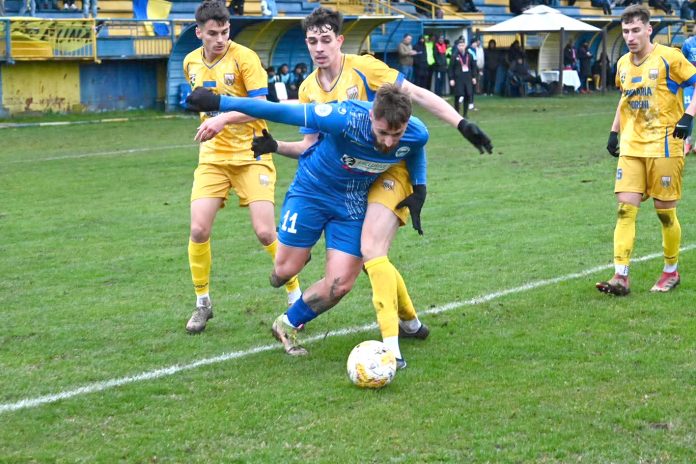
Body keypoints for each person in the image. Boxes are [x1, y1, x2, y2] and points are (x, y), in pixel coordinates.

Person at [251, 7, 492, 365]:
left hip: (377, 176)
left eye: (326, 40)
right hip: (324, 183)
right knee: (289, 271)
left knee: (371, 256)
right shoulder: (307, 88)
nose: (319, 48)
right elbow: (308, 146)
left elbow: (416, 97)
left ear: (339, 40)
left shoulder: (365, 68)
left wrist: (460, 123)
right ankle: (409, 322)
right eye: (313, 41)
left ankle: (385, 342)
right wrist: (275, 145)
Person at [186, 84, 429, 368]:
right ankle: (293, 261)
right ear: (372, 116)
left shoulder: (416, 131)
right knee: (283, 272)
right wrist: (219, 102)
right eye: (383, 132)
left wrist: (419, 186)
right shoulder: (344, 118)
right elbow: (278, 111)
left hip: (352, 205)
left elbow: (414, 148)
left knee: (340, 284)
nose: (388, 142)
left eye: (396, 135)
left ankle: (286, 323)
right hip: (311, 192)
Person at [181, 0, 301, 333]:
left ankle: (295, 295)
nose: (220, 39)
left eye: (224, 32)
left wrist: (221, 119)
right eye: (213, 33)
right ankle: (202, 303)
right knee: (198, 230)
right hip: (213, 158)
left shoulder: (245, 58)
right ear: (199, 33)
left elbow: (261, 106)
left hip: (252, 154)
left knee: (265, 232)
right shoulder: (191, 62)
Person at [596, 4, 696, 296]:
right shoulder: (622, 64)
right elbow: (624, 98)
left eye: (636, 30)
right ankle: (620, 276)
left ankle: (671, 271)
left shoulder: (669, 57)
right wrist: (614, 131)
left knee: (665, 213)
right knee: (624, 210)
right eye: (626, 31)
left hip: (664, 145)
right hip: (631, 146)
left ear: (648, 29)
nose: (630, 36)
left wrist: (688, 116)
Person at [449, 38, 477, 117]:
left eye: (463, 45)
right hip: (458, 78)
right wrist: (451, 78)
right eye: (460, 45)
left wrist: (474, 77)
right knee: (458, 95)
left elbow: (473, 67)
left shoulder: (469, 55)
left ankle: (465, 114)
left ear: (465, 46)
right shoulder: (454, 56)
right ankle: (457, 114)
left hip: (467, 77)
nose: (461, 47)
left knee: (467, 94)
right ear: (457, 46)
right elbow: (451, 68)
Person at [682, 34, 696, 154]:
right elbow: (681, 62)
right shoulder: (688, 43)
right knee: (688, 111)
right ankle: (687, 142)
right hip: (690, 84)